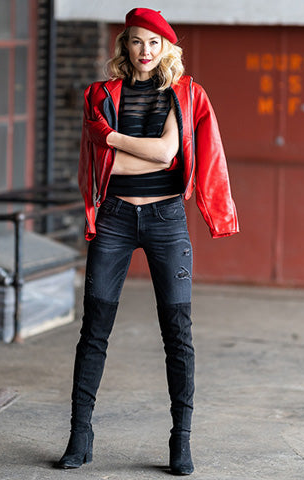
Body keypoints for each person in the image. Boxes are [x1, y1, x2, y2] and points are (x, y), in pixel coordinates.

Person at [56, 7, 239, 475]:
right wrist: (142, 156)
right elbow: (106, 168)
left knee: (178, 333)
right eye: (137, 42)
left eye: (154, 43)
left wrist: (116, 139)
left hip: (166, 220)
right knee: (94, 329)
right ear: (125, 45)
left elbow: (168, 154)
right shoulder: (99, 94)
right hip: (114, 218)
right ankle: (80, 435)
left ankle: (181, 441)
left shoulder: (186, 93)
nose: (145, 51)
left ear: (166, 49)